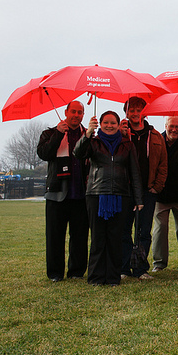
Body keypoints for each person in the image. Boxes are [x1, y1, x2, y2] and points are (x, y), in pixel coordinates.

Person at [74, 111, 143, 286]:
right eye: (106, 122)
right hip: (96, 195)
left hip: (120, 195)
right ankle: (96, 277)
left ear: (119, 125)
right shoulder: (93, 142)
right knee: (98, 238)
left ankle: (113, 277)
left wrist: (138, 198)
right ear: (100, 123)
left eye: (113, 123)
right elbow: (78, 153)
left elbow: (135, 172)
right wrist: (87, 134)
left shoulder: (127, 145)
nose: (109, 126)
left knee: (115, 238)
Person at [37, 101, 89, 282]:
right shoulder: (50, 133)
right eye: (73, 111)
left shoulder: (87, 135)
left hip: (81, 194)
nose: (76, 115)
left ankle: (76, 272)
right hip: (57, 193)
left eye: (80, 112)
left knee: (80, 236)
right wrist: (59, 134)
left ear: (83, 115)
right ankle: (55, 273)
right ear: (66, 112)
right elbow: (44, 153)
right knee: (54, 236)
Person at [120, 96, 167, 281]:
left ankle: (140, 268)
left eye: (139, 109)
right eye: (132, 110)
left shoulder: (155, 135)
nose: (135, 113)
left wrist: (157, 187)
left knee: (144, 231)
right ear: (126, 112)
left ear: (144, 112)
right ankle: (124, 268)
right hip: (125, 190)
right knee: (124, 229)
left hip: (147, 191)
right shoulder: (120, 132)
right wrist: (120, 136)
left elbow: (163, 163)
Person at [151, 116, 178, 272]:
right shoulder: (157, 140)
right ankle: (159, 263)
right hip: (161, 193)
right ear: (165, 125)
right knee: (160, 229)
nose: (174, 130)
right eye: (171, 126)